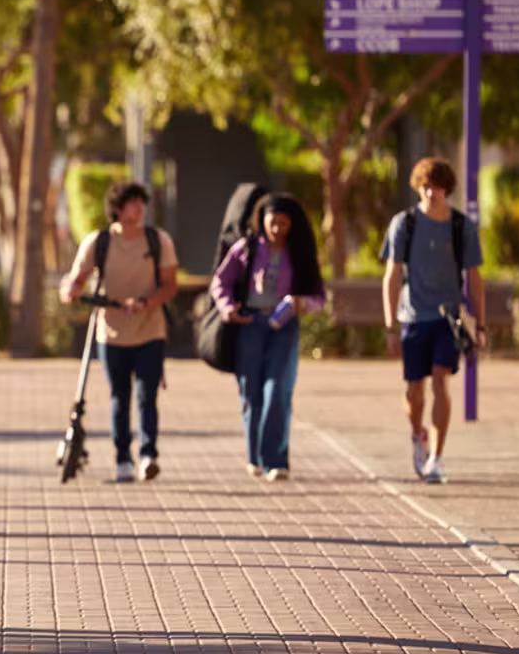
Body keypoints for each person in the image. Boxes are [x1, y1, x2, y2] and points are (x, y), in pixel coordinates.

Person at [59, 180, 181, 483]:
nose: (139, 208)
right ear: (116, 208)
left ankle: (148, 454)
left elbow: (170, 285)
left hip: (150, 330)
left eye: (142, 202)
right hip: (110, 332)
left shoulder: (157, 240)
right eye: (132, 202)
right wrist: (71, 291)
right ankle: (123, 458)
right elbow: (75, 281)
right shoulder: (98, 242)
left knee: (147, 396)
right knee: (119, 397)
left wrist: (145, 303)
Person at [381, 157, 486, 485]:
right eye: (426, 186)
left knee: (441, 380)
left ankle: (437, 458)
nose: (431, 193)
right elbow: (392, 275)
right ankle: (417, 436)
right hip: (412, 316)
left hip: (447, 318)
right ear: (419, 187)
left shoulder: (460, 227)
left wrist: (480, 324)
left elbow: (475, 277)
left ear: (447, 190)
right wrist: (389, 326)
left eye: (437, 187)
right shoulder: (405, 224)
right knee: (414, 390)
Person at [210, 194, 327, 481]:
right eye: (272, 223)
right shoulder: (247, 248)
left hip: (284, 326)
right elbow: (220, 281)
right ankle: (255, 457)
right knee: (251, 392)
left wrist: (302, 304)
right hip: (250, 322)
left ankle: (275, 459)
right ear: (262, 221)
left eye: (283, 224)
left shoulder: (300, 253)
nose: (277, 229)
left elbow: (319, 297)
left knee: (277, 391)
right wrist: (228, 308)